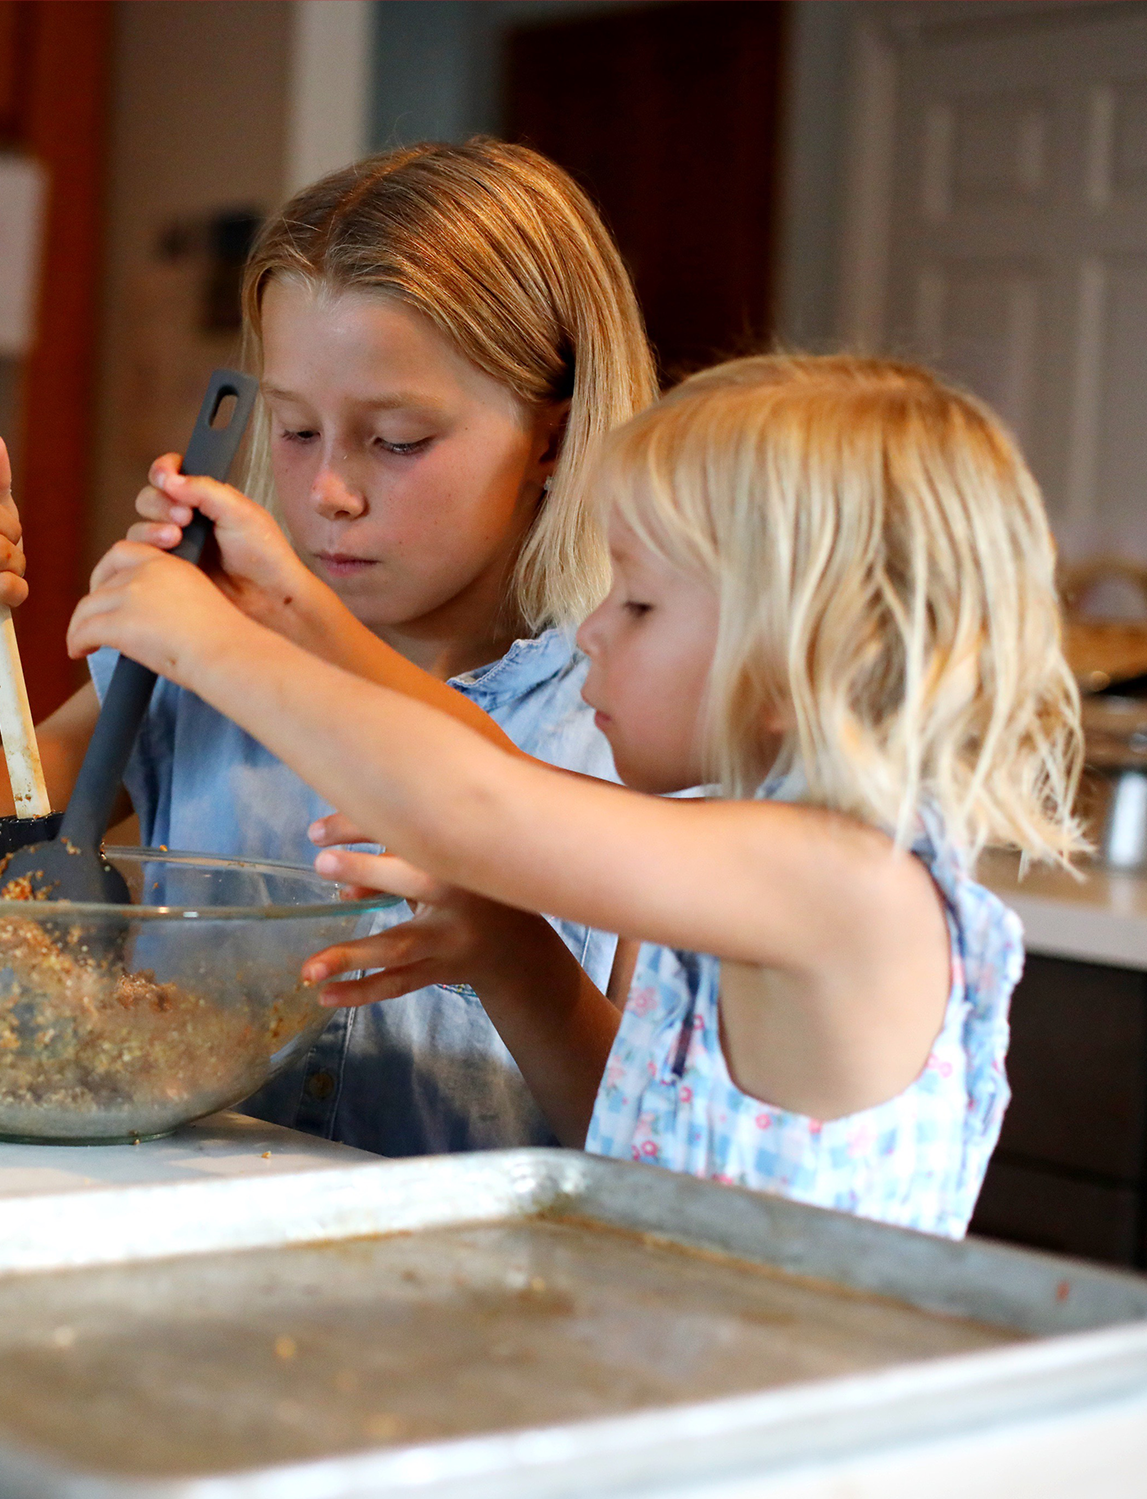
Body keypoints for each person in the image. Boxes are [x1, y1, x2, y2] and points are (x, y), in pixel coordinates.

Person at [65, 355, 1085, 1238]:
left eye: (637, 601)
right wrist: (294, 610)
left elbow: (478, 803)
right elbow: (630, 1151)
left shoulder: (838, 881)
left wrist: (213, 644)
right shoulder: (748, 856)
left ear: (806, 657)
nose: (591, 630)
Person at [0, 139, 657, 1156]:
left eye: (397, 439)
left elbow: (650, 1142)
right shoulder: (190, 675)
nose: (329, 492)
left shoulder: (637, 721)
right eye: (296, 430)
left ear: (552, 438)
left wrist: (286, 629)